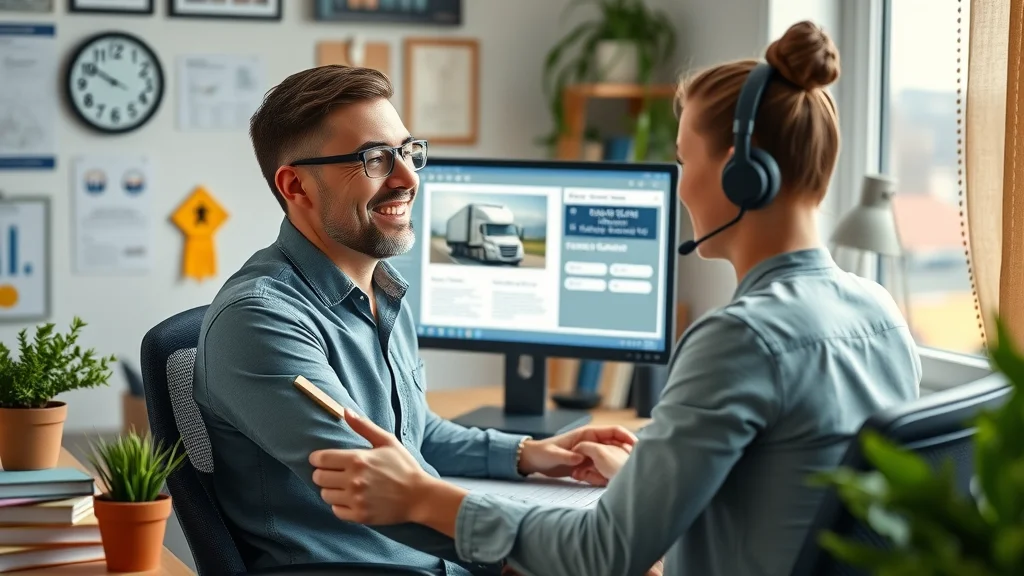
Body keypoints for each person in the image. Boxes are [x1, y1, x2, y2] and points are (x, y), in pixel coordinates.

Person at [305, 20, 923, 576]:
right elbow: (785, 496)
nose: (681, 185)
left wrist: (424, 499)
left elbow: (603, 554)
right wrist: (646, 482)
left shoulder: (741, 339)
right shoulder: (880, 313)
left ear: (740, 174)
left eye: (683, 160)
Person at [191, 65, 635, 576]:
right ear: (297, 186)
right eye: (375, 159)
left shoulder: (381, 288)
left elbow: (412, 434)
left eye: (408, 151)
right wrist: (557, 550)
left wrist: (531, 454)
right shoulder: (260, 320)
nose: (408, 178)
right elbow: (376, 481)